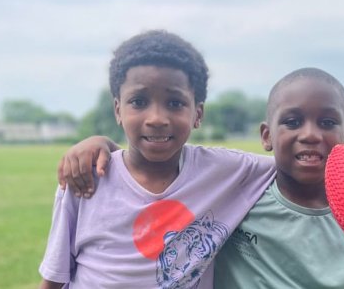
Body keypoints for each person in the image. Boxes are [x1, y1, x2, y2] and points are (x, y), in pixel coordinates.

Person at [59, 68, 344, 288]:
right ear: (266, 136)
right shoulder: (239, 191)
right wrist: (101, 145)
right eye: (292, 122)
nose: (310, 134)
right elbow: (157, 163)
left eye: (327, 123)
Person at [38, 30, 277, 289]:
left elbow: (298, 166)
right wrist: (100, 142)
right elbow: (53, 279)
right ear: (118, 110)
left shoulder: (226, 171)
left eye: (175, 103)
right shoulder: (85, 180)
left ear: (198, 114)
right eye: (138, 102)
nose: (156, 119)